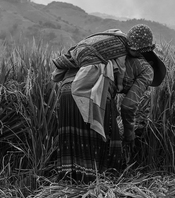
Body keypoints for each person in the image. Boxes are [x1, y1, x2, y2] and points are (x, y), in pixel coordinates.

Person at [51, 24, 166, 183]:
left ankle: (70, 184)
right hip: (92, 92)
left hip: (66, 89)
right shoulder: (147, 70)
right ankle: (98, 186)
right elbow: (128, 105)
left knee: (73, 141)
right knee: (109, 143)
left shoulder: (113, 50)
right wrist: (129, 133)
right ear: (148, 52)